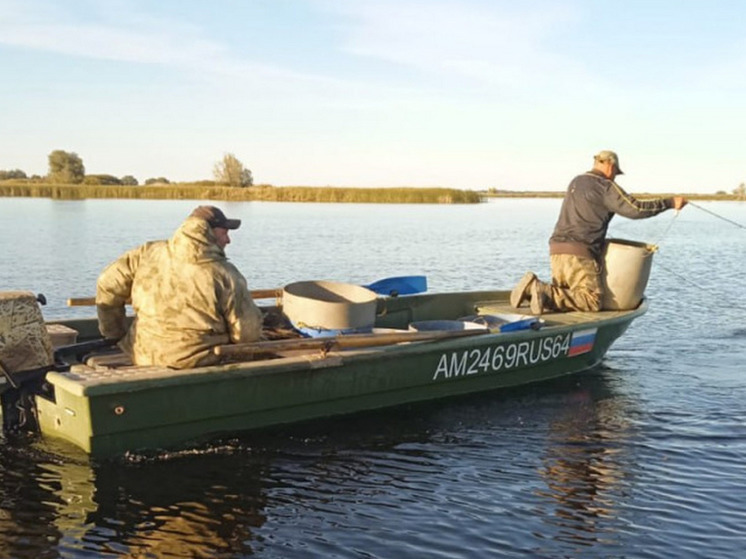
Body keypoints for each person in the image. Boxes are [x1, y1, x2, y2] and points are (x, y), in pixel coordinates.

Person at [510, 150, 687, 315]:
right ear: (611, 166)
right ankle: (539, 289)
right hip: (581, 252)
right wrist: (670, 202)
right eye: (616, 173)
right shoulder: (605, 186)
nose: (615, 177)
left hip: (556, 249)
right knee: (591, 301)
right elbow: (635, 209)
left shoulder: (576, 181)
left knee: (568, 300)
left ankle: (532, 292)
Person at [96, 205, 263, 368]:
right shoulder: (226, 274)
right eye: (224, 233)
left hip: (142, 354)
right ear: (208, 232)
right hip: (195, 362)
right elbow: (247, 334)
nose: (228, 240)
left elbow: (107, 283)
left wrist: (115, 334)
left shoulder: (147, 253)